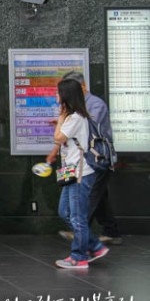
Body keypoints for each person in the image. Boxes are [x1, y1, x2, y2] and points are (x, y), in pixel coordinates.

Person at [45, 79, 109, 269]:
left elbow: (58, 137)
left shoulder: (75, 117)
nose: (56, 97)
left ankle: (79, 256)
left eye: (58, 94)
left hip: (80, 171)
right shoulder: (73, 117)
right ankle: (95, 246)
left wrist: (61, 117)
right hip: (69, 169)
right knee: (64, 212)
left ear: (66, 96)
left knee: (77, 216)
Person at [55, 71, 121, 245]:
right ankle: (110, 231)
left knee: (86, 198)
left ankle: (81, 234)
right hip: (76, 163)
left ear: (81, 87)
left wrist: (64, 122)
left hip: (94, 160)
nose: (59, 96)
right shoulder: (73, 112)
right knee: (98, 197)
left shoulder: (91, 106)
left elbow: (73, 133)